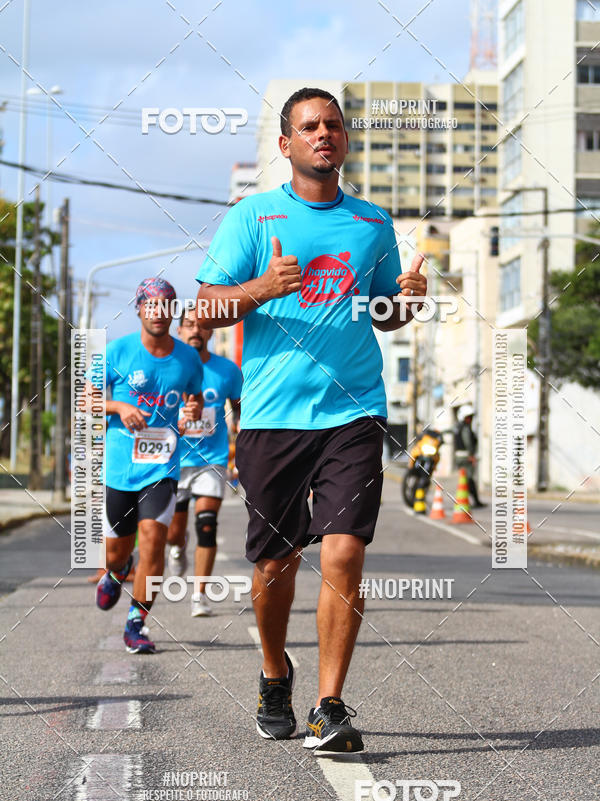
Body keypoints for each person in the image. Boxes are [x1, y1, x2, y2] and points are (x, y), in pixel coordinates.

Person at [195, 87, 427, 752]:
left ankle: (330, 704)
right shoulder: (253, 218)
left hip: (354, 409)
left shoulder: (372, 225)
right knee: (274, 567)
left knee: (345, 551)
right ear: (285, 144)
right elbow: (207, 308)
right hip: (272, 414)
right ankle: (275, 671)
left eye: (333, 125)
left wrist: (409, 303)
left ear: (345, 140)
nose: (324, 134)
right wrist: (259, 289)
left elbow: (381, 313)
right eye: (309, 126)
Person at [91, 277, 203, 652]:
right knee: (115, 551)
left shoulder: (187, 356)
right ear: (139, 309)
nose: (158, 312)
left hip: (163, 466)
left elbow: (195, 398)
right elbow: (85, 400)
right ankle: (119, 570)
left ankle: (137, 622)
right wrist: (120, 407)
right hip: (122, 467)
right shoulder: (117, 352)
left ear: (172, 311)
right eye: (151, 305)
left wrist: (191, 411)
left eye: (165, 305)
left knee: (154, 540)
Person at [166, 311, 242, 617]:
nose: (196, 330)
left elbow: (240, 411)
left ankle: (199, 595)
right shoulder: (168, 367)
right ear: (180, 331)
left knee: (207, 525)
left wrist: (245, 449)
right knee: (174, 531)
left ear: (211, 332)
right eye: (189, 325)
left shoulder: (227, 370)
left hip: (212, 459)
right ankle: (176, 548)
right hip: (173, 461)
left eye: (202, 326)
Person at [454, 404, 486, 508]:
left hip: (459, 457)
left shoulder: (457, 427)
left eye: (471, 417)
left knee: (466, 479)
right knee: (469, 479)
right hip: (465, 457)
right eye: (468, 417)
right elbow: (468, 441)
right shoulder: (465, 428)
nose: (470, 419)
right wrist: (471, 455)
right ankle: (471, 501)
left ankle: (469, 500)